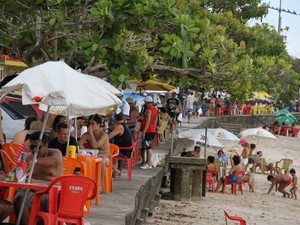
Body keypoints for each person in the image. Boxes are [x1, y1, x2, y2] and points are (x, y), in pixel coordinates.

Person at [14, 131, 63, 225]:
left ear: (46, 145)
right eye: (32, 147)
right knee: (19, 198)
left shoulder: (54, 153)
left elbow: (55, 161)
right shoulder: (28, 156)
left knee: (49, 206)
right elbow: (15, 170)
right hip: (32, 192)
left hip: (50, 193)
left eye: (38, 147)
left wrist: (35, 160)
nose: (35, 150)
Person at [78, 114, 110, 186]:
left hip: (104, 156)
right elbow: (78, 144)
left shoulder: (104, 135)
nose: (90, 126)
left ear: (99, 125)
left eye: (93, 124)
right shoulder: (86, 134)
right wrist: (80, 145)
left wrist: (91, 133)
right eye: (89, 124)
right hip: (92, 155)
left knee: (102, 161)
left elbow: (95, 146)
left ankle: (99, 185)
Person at [108, 113, 133, 177]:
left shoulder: (119, 127)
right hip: (127, 149)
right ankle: (117, 171)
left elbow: (109, 137)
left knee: (104, 153)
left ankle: (116, 170)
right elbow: (111, 128)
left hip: (124, 151)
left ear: (115, 119)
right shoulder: (124, 125)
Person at [140, 96, 158, 169]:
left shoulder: (148, 111)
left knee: (148, 147)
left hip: (148, 130)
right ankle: (148, 162)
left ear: (147, 103)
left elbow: (147, 121)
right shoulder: (155, 110)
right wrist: (154, 126)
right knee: (148, 146)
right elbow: (156, 119)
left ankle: (148, 163)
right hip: (152, 129)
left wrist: (144, 131)